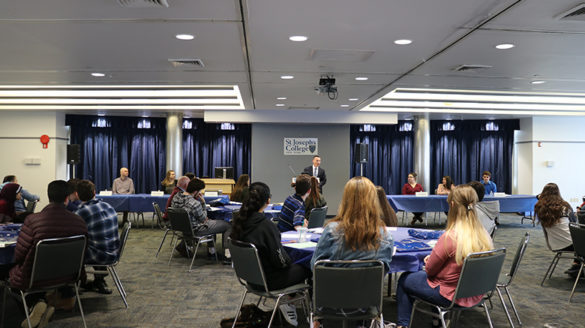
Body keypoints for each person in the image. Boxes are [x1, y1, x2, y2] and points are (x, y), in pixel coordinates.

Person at [395, 185, 493, 328]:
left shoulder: (450, 238)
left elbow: (430, 271)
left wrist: (428, 260)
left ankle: (402, 325)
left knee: (405, 279)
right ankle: (436, 321)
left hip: (450, 295)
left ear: (452, 205)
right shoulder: (483, 234)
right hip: (476, 292)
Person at [8, 180, 88, 328]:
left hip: (35, 278)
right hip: (69, 276)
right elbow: (83, 253)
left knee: (10, 273)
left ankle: (35, 304)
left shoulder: (32, 221)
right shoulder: (80, 222)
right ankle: (47, 304)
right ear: (66, 199)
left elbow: (19, 255)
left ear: (49, 196)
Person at [231, 181, 311, 326]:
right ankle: (304, 310)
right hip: (270, 281)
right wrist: (286, 254)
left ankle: (291, 303)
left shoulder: (239, 221)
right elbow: (281, 262)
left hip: (251, 279)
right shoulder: (266, 226)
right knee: (308, 265)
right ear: (268, 201)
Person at [311, 176, 394, 269]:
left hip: (334, 282)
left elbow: (315, 266)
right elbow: (384, 271)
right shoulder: (386, 236)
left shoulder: (331, 230)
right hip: (369, 283)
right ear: (374, 201)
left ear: (346, 200)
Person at [75, 180, 120, 295]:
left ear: (77, 195)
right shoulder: (108, 206)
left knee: (71, 251)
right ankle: (98, 280)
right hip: (114, 253)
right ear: (94, 192)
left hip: (99, 256)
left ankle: (73, 286)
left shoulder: (81, 213)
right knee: (95, 242)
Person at [170, 178, 231, 260]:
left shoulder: (176, 197)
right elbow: (204, 219)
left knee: (211, 223)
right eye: (200, 191)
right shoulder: (195, 203)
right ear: (195, 192)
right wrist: (203, 203)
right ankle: (227, 255)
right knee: (227, 225)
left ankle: (211, 252)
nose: (200, 193)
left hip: (181, 228)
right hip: (196, 230)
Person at [534, 183, 580, 278]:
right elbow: (574, 224)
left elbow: (537, 196)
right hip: (571, 243)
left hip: (554, 244)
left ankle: (577, 265)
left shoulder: (540, 208)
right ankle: (577, 265)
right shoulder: (565, 207)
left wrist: (541, 196)